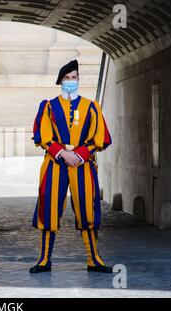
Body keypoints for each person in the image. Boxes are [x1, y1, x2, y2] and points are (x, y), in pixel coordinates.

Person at [30, 59, 113, 274]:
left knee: (87, 208)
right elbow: (43, 137)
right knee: (49, 208)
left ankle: (94, 258)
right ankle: (44, 259)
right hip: (55, 164)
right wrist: (63, 154)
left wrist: (79, 154)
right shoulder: (48, 106)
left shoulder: (91, 107)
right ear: (60, 81)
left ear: (78, 80)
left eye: (74, 78)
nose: (71, 81)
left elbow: (99, 138)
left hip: (82, 164)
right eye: (67, 78)